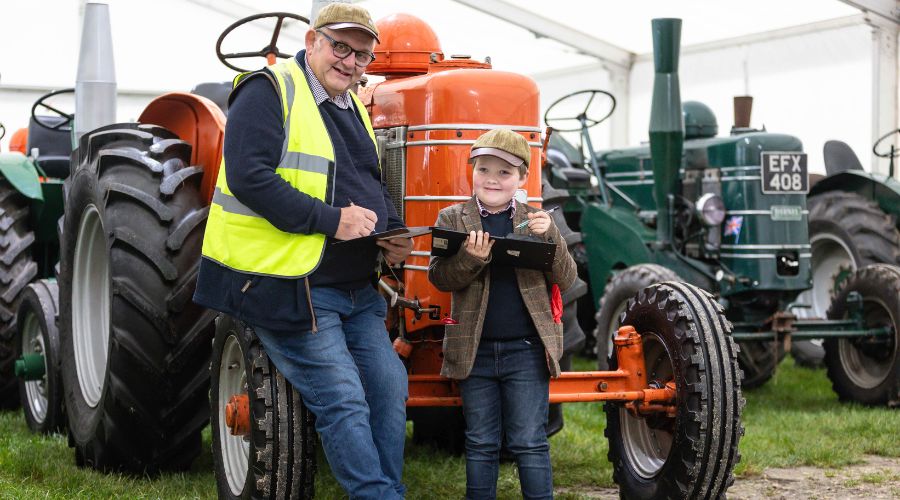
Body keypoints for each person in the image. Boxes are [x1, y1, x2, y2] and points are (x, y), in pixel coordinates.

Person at [194, 3, 411, 498]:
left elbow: (366, 186)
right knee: (342, 398)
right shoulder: (267, 90)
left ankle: (383, 490)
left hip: (356, 290)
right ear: (312, 40)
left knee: (388, 386)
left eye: (362, 54)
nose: (351, 61)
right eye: (340, 46)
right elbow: (250, 177)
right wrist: (333, 221)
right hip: (293, 286)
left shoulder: (353, 105)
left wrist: (392, 234)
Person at [428, 128, 577, 499]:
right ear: (471, 172)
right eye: (484, 170)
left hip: (526, 351)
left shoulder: (535, 220)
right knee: (480, 442)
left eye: (504, 172)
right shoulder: (453, 217)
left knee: (529, 440)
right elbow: (440, 278)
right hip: (474, 352)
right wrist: (469, 260)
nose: (492, 179)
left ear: (523, 177)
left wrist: (552, 238)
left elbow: (568, 278)